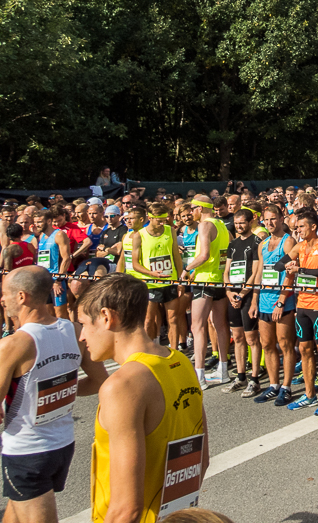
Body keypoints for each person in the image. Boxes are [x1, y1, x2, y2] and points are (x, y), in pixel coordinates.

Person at [79, 273, 210, 523]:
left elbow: (126, 509)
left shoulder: (121, 386)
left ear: (107, 317)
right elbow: (201, 459)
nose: (82, 336)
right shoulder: (180, 361)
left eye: (84, 324)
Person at [0, 267, 108, 523]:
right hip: (62, 444)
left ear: (22, 297)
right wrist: (64, 392)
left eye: (5, 293)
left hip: (26, 452)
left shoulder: (14, 345)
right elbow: (99, 381)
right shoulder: (72, 330)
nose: (2, 299)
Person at [281, 209, 318, 412]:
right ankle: (309, 393)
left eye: (301, 226)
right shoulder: (300, 246)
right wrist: (289, 262)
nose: (298, 230)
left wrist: (300, 269)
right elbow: (279, 265)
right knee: (304, 349)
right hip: (302, 303)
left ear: (313, 227)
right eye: (296, 227)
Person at [182, 195, 232, 388]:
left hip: (204, 280)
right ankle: (223, 369)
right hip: (219, 279)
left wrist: (187, 269)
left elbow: (204, 255)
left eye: (193, 208)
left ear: (200, 209)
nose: (190, 212)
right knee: (220, 325)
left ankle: (200, 375)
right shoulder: (222, 225)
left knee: (198, 327)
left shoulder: (205, 225)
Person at [252, 204, 297, 404]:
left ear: (281, 218)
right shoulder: (263, 244)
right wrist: (254, 300)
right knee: (267, 344)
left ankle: (286, 387)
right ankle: (273, 385)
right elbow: (259, 274)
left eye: (273, 219)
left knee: (285, 344)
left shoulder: (288, 242)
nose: (270, 223)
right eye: (266, 219)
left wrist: (281, 301)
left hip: (282, 301)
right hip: (264, 299)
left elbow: (290, 275)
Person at [131, 202, 184, 348]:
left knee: (173, 318)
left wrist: (180, 280)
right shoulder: (139, 235)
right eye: (159, 220)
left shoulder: (170, 230)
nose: (162, 223)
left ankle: (174, 351)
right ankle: (149, 350)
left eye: (164, 219)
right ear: (150, 217)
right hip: (151, 283)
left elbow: (176, 257)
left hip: (170, 280)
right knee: (148, 319)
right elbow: (135, 264)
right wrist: (151, 273)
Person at [223, 208, 261, 394]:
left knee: (251, 338)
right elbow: (226, 271)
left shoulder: (256, 242)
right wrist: (229, 292)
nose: (238, 226)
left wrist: (242, 294)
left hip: (247, 295)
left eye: (242, 223)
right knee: (237, 337)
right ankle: (240, 376)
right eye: (236, 223)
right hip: (233, 294)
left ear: (250, 222)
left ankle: (254, 379)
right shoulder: (233, 244)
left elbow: (255, 273)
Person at [33, 210, 72, 319]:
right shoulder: (41, 236)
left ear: (49, 221)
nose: (37, 225)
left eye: (40, 222)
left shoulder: (59, 234)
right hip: (44, 279)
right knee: (49, 315)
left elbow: (66, 258)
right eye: (36, 222)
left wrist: (58, 280)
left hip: (56, 280)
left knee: (61, 314)